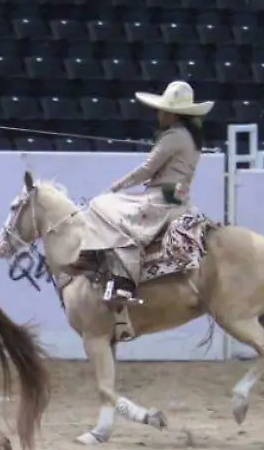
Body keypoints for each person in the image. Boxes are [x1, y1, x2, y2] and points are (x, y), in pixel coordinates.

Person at [74, 79, 213, 309]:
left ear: (171, 113)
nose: (159, 114)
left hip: (162, 200)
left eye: (162, 110)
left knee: (103, 207)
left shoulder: (174, 136)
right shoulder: (190, 137)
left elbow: (147, 168)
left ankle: (123, 282)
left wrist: (118, 185)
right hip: (176, 196)